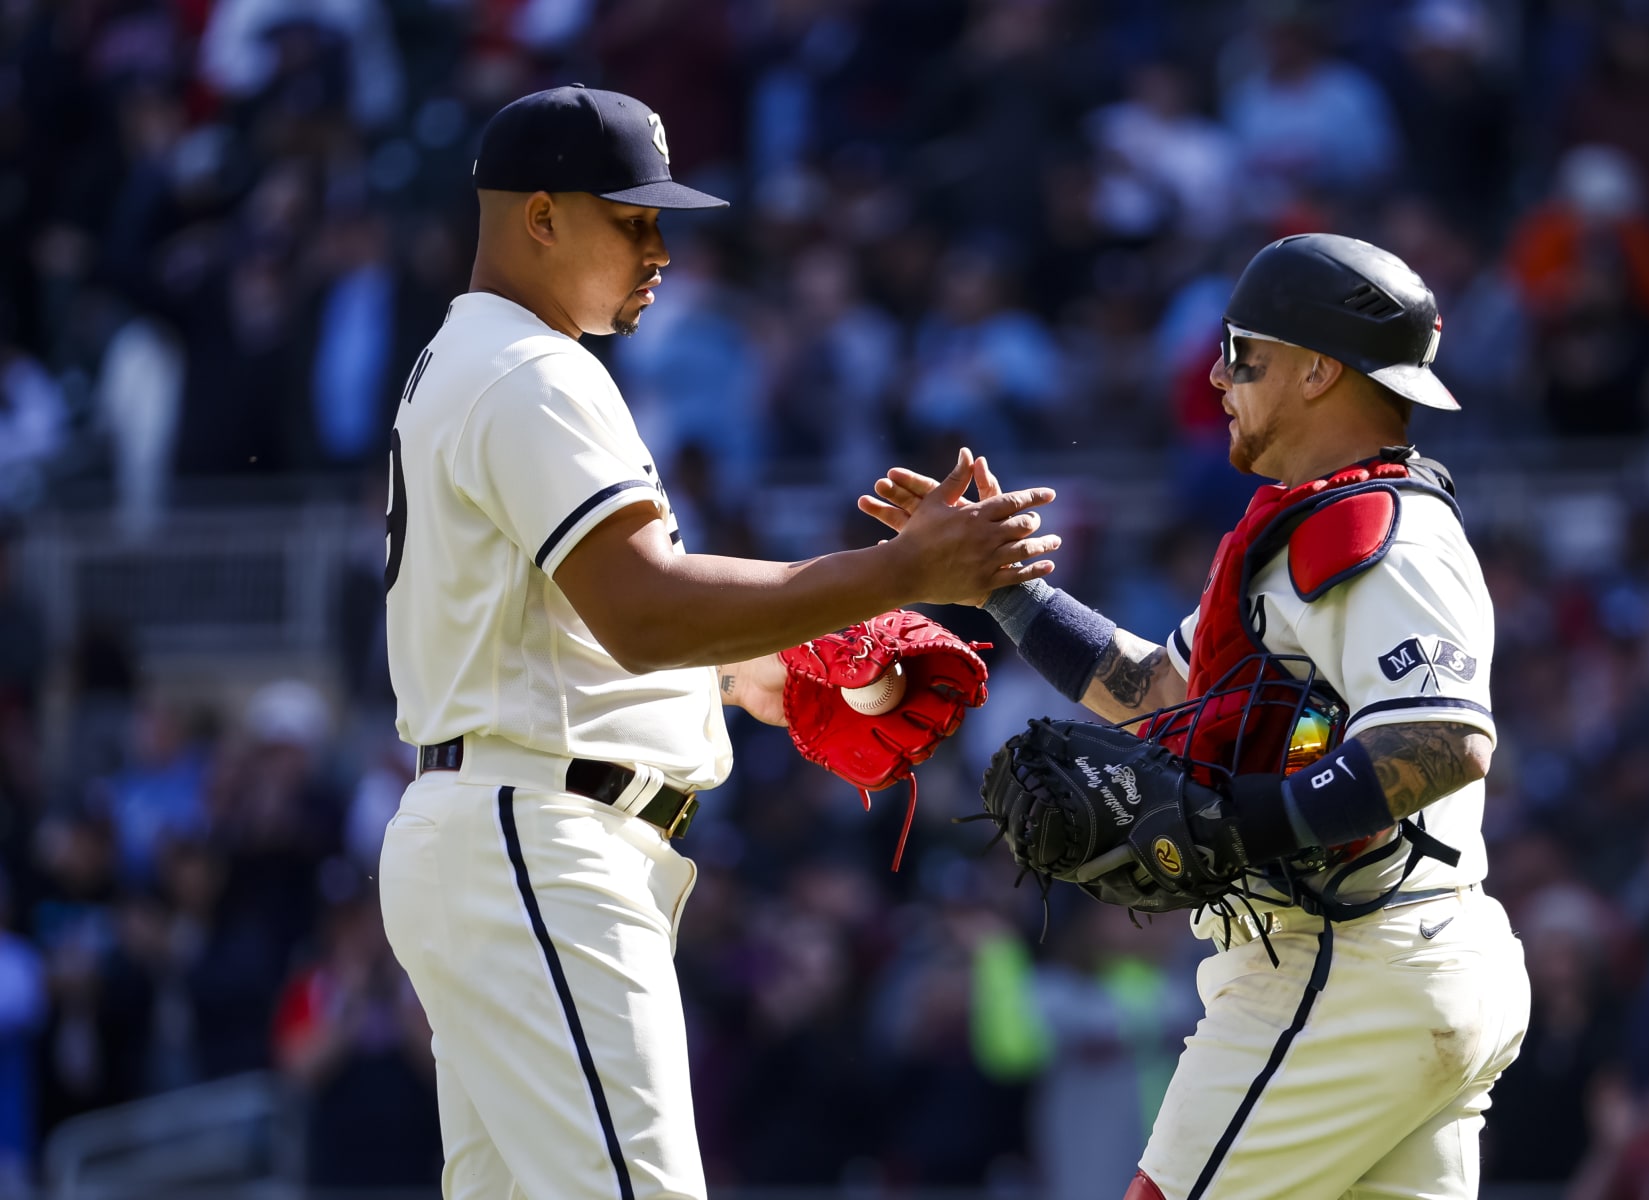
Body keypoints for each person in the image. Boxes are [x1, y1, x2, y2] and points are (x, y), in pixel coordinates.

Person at [376, 85, 1060, 1200]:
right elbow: (643, 611)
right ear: (539, 218)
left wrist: (769, 669)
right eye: (632, 220)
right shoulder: (534, 374)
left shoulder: (481, 359)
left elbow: (585, 629)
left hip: (508, 826)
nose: (660, 251)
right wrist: (900, 572)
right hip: (540, 839)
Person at [865, 233, 1530, 1199]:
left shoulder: (1381, 531)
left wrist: (1241, 821)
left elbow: (1441, 740)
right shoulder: (1312, 526)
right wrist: (1003, 593)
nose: (1217, 377)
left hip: (1346, 966)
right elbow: (1158, 695)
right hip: (1393, 966)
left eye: (1241, 354)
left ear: (1314, 371)